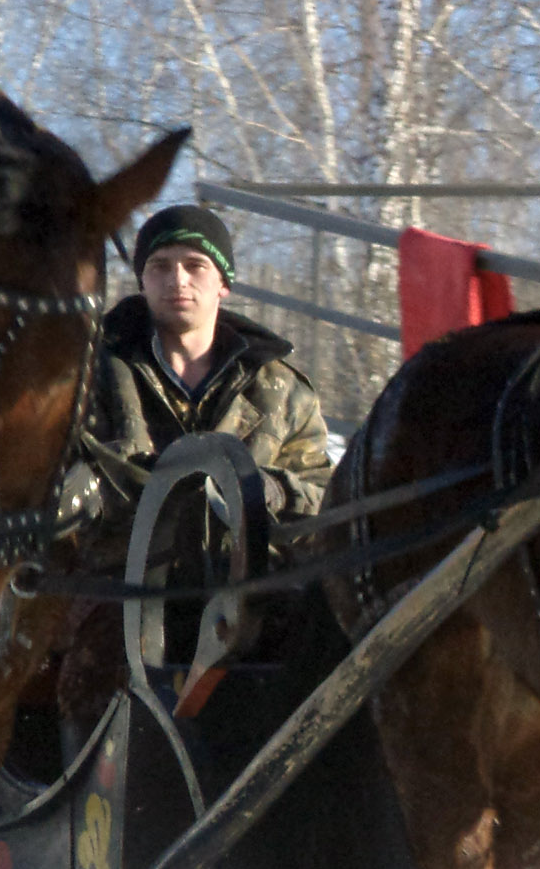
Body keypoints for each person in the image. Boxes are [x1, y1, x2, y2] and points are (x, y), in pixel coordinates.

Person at [56, 203, 333, 742]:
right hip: (121, 597)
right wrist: (81, 491)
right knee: (101, 675)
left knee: (318, 669)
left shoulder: (281, 389)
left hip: (254, 597)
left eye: (194, 266)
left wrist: (272, 491)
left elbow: (326, 500)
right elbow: (46, 483)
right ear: (141, 280)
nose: (176, 281)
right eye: (159, 266)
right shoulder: (88, 377)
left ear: (223, 283)